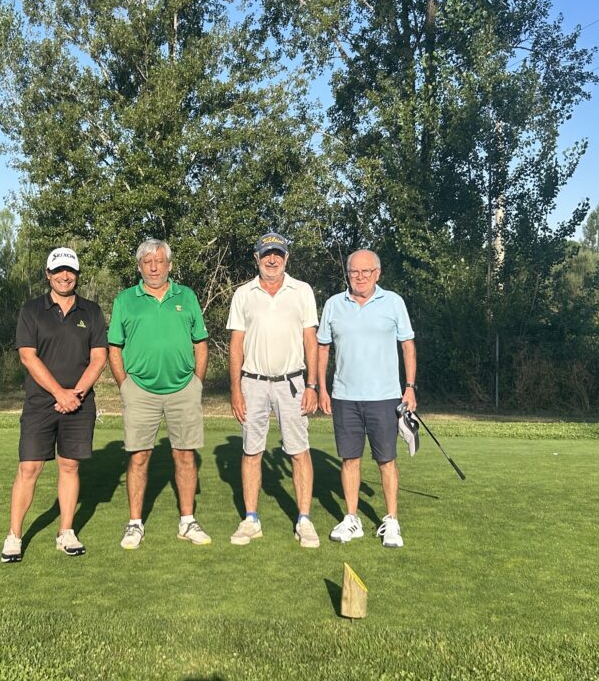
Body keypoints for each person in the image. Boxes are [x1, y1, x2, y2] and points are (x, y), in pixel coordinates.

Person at [1, 247, 108, 562]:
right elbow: (27, 357)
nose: (65, 276)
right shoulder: (31, 310)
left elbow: (99, 358)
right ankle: (14, 536)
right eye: (59, 270)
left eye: (70, 271)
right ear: (48, 274)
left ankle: (66, 532)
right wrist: (60, 393)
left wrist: (75, 394)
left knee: (70, 466)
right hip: (40, 403)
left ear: (77, 275)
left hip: (79, 403)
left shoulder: (91, 311)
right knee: (29, 467)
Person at [108, 239, 211, 549]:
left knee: (185, 455)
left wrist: (197, 383)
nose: (154, 267)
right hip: (140, 391)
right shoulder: (125, 300)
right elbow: (114, 347)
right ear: (139, 266)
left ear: (169, 264)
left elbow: (200, 343)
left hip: (183, 390)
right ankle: (135, 524)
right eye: (147, 262)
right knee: (139, 456)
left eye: (160, 261)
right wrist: (125, 385)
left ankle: (187, 521)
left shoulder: (186, 296)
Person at [316, 249, 417, 548]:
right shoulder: (334, 304)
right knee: (350, 459)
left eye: (366, 272)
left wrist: (410, 387)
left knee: (386, 460)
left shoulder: (394, 302)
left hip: (384, 397)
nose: (359, 277)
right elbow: (323, 348)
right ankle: (351, 519)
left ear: (377, 273)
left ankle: (392, 521)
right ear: (347, 274)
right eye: (354, 272)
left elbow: (408, 345)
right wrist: (321, 388)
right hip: (345, 396)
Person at [227, 232, 321, 548]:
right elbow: (236, 344)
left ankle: (304, 520)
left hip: (292, 383)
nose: (272, 260)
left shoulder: (302, 291)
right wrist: (235, 390)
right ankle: (251, 519)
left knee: (299, 450)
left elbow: (311, 340)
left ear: (286, 258)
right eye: (267, 254)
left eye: (277, 254)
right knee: (251, 450)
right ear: (257, 257)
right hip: (252, 383)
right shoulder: (243, 294)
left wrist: (312, 385)